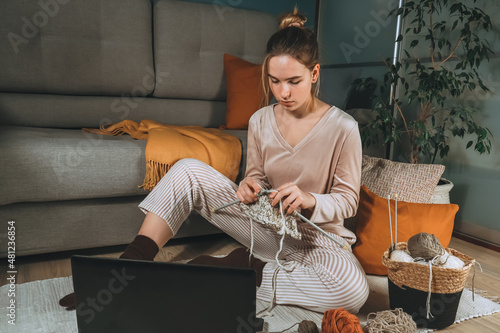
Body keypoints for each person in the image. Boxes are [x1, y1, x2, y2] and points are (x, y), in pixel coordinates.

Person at [60, 9, 369, 314]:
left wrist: (308, 200)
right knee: (187, 169)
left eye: (294, 81)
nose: (283, 92)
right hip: (266, 228)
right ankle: (130, 268)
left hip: (316, 241)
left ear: (314, 74)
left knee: (352, 290)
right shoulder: (261, 120)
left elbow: (348, 201)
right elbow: (258, 176)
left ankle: (218, 272)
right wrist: (251, 186)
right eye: (274, 81)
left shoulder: (343, 127)